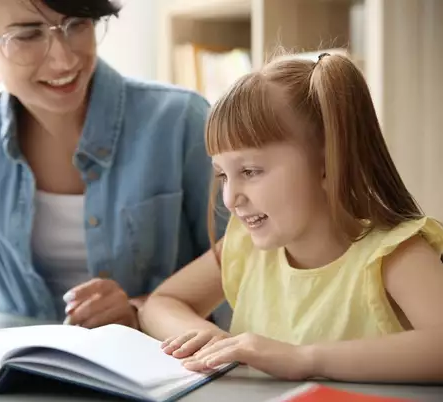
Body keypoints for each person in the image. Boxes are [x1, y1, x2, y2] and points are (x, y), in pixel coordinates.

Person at [0, 0, 226, 343]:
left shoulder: (181, 121)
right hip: (22, 382)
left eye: (77, 23)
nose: (63, 58)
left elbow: (250, 271)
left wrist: (139, 312)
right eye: (27, 35)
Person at [138, 52, 443, 383]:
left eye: (250, 171)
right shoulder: (244, 249)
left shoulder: (395, 255)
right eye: (223, 175)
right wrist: (208, 337)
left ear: (328, 161)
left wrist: (304, 359)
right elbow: (161, 303)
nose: (230, 198)